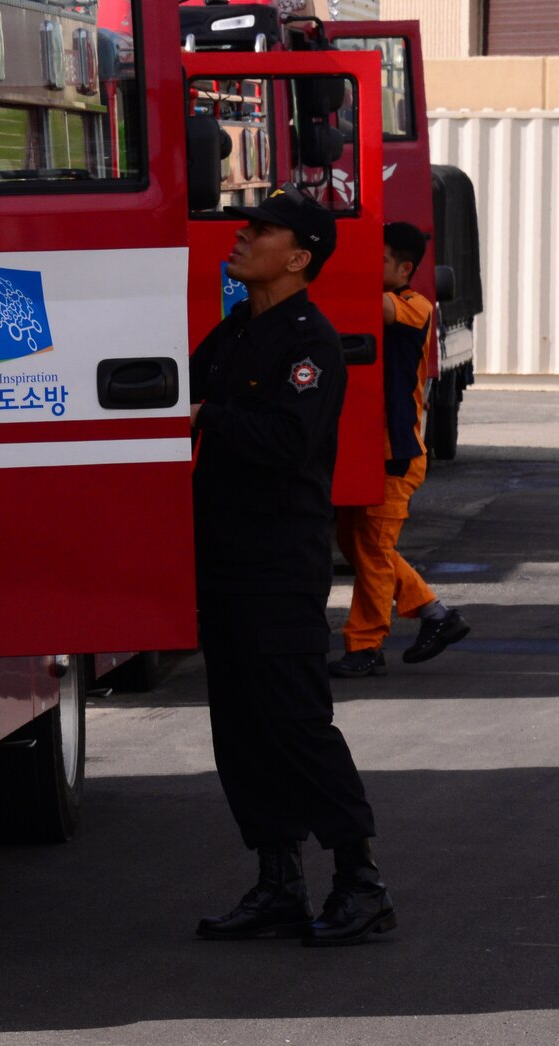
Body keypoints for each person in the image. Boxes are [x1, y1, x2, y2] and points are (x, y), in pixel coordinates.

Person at [189, 187, 394, 946]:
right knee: (240, 728)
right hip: (225, 558)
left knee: (297, 725)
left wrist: (209, 417)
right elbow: (181, 384)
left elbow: (285, 441)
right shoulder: (241, 326)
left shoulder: (311, 344)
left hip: (279, 565)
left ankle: (360, 880)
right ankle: (278, 879)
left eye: (259, 230)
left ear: (298, 256)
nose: (240, 238)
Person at [331, 222, 471, 677]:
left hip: (398, 453)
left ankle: (366, 647)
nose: (371, 266)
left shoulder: (412, 305)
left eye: (380, 258)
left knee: (371, 550)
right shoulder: (395, 300)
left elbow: (370, 308)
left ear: (405, 268)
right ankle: (436, 614)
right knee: (358, 544)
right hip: (374, 450)